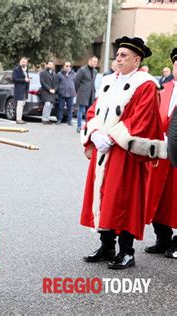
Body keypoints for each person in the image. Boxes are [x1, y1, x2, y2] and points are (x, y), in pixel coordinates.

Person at [79, 36, 165, 269]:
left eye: (124, 55)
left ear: (137, 60)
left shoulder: (145, 84)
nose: (118, 58)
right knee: (104, 198)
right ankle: (107, 245)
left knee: (125, 200)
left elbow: (142, 119)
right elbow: (93, 111)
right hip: (103, 151)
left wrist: (112, 137)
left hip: (125, 153)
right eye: (117, 54)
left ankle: (126, 251)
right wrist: (94, 132)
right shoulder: (108, 81)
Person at [145, 48, 177, 259]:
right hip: (160, 153)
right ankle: (162, 237)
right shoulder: (163, 88)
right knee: (159, 197)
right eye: (176, 64)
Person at [75, 56, 98, 133]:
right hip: (82, 93)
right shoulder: (82, 70)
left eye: (96, 62)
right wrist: (77, 91)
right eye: (94, 61)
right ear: (90, 61)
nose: (95, 63)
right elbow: (76, 81)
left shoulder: (95, 71)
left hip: (91, 94)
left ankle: (87, 126)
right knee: (81, 110)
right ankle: (79, 126)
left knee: (89, 111)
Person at [12, 56, 30, 124]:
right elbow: (14, 79)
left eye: (25, 62)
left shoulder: (26, 70)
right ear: (20, 61)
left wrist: (28, 79)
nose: (24, 63)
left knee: (22, 104)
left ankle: (20, 118)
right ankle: (18, 119)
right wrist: (24, 80)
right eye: (23, 62)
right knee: (19, 104)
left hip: (25, 90)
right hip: (19, 90)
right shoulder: (16, 69)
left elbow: (26, 78)